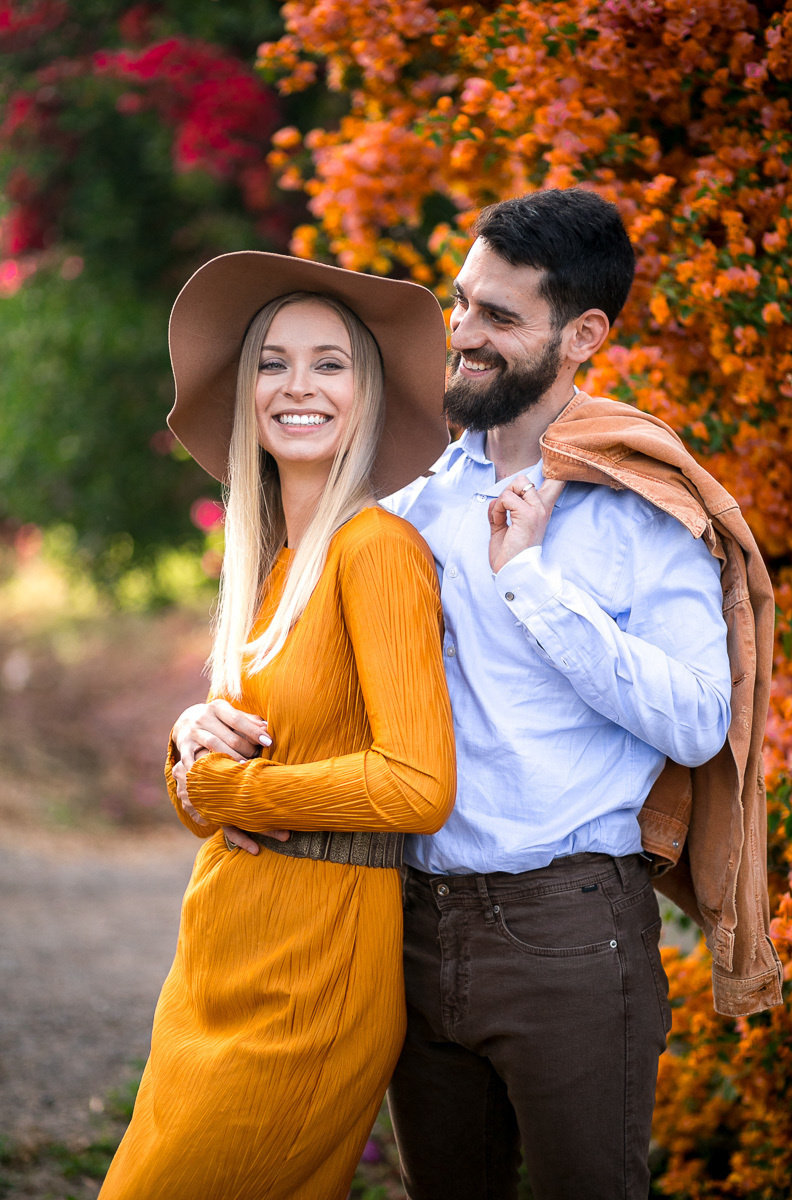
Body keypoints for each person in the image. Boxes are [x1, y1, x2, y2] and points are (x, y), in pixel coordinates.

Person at [176, 189, 781, 1199]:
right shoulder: (405, 507)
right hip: (403, 929)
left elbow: (696, 718)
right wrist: (201, 724)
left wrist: (531, 584)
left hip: (568, 936)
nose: (461, 336)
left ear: (582, 335)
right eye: (459, 305)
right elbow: (320, 691)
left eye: (497, 317)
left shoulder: (638, 509)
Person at [98, 252, 456, 1200]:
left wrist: (234, 788)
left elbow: (419, 785)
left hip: (315, 975)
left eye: (330, 363)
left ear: (369, 391)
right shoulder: (272, 568)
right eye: (273, 362)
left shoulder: (377, 550)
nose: (298, 386)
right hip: (219, 960)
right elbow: (230, 784)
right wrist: (190, 749)